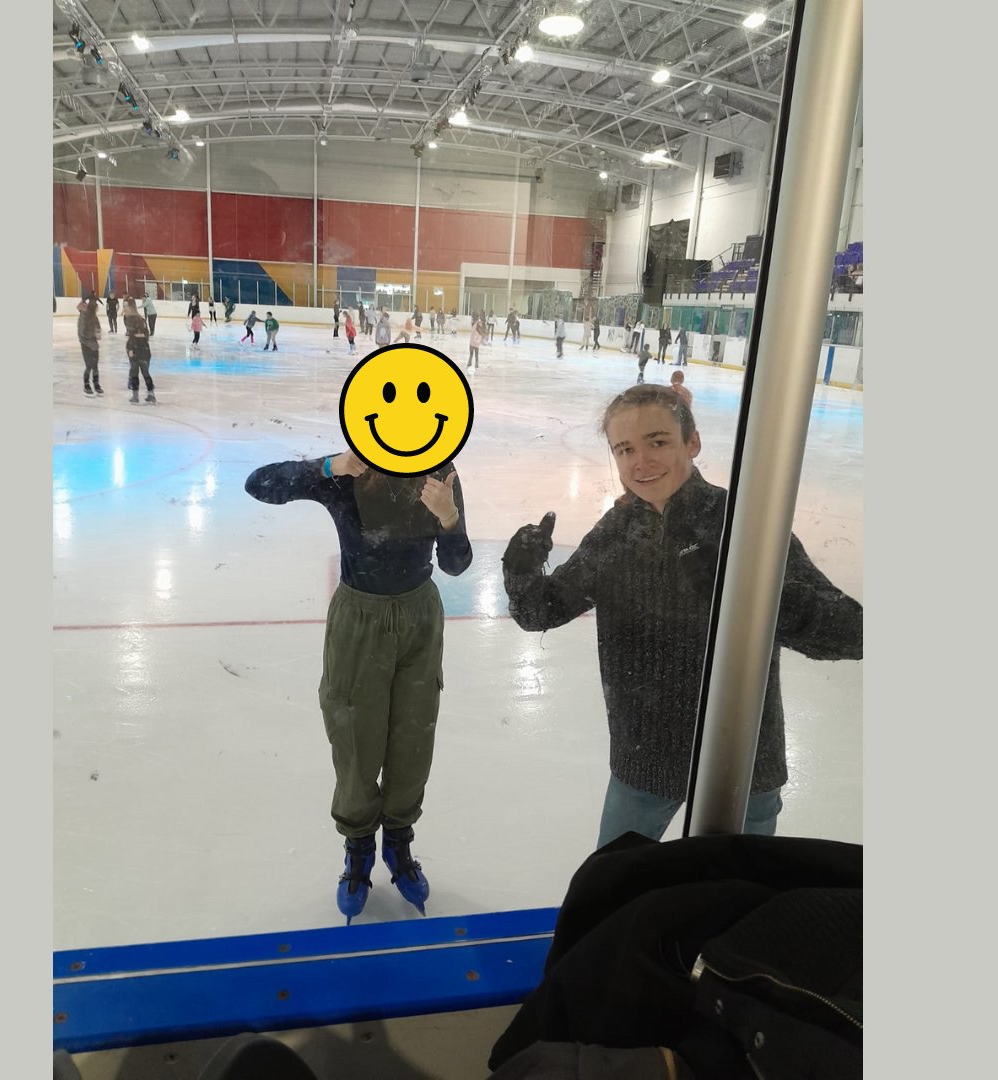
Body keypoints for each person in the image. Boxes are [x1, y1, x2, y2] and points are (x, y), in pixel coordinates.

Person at [501, 383, 862, 848]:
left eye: (658, 442)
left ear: (692, 443)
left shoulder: (742, 521)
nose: (640, 462)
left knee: (734, 897)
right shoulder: (616, 534)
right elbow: (540, 613)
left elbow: (850, 632)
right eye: (624, 449)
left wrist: (750, 591)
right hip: (645, 759)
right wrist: (521, 569)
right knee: (616, 887)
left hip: (743, 762)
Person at [244, 450, 473, 921]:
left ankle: (399, 844)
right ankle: (359, 847)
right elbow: (259, 483)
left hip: (419, 619)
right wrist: (328, 467)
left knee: (413, 736)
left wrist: (449, 518)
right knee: (354, 736)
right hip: (358, 618)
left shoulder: (440, 475)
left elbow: (456, 564)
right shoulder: (348, 475)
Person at [124, 299, 156, 404]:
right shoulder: (130, 319)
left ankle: (148, 395)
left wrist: (132, 347)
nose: (124, 309)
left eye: (126, 306)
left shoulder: (136, 319)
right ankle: (138, 395)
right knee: (136, 373)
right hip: (138, 350)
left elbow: (143, 336)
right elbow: (137, 336)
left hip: (141, 350)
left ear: (132, 307)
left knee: (143, 372)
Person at [76, 296, 103, 396]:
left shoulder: (94, 317)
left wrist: (98, 333)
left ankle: (96, 384)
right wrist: (91, 337)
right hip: (86, 345)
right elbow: (81, 332)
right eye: (95, 307)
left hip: (94, 345)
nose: (97, 309)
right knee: (89, 366)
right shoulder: (84, 317)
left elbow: (98, 327)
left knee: (95, 366)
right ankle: (86, 385)